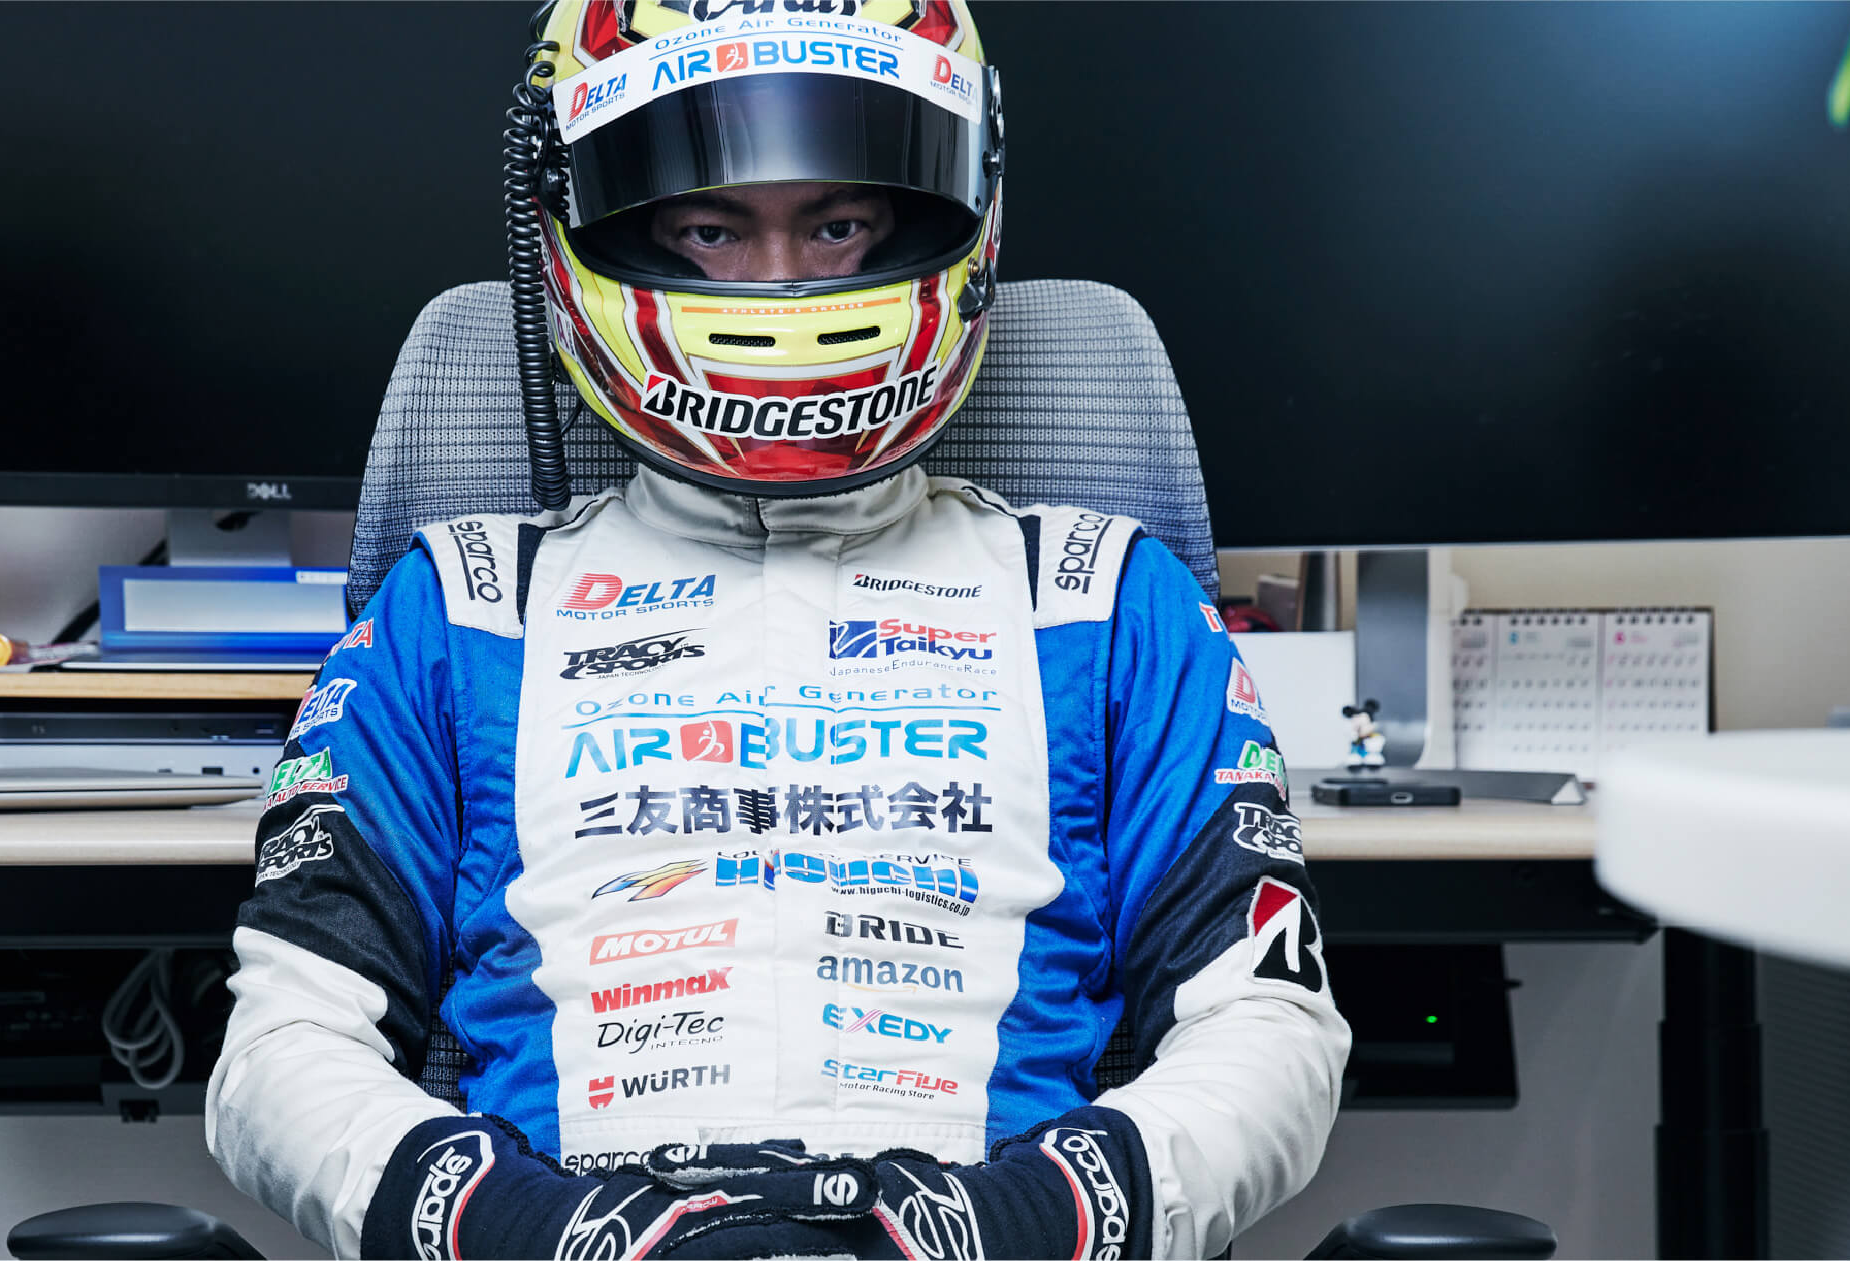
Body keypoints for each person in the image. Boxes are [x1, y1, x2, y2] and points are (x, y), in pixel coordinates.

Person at [209, 3, 1348, 1256]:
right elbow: (281, 1046)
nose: (779, 283)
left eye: (838, 223)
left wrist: (1023, 1220)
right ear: (589, 224)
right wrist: (529, 1229)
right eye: (710, 230)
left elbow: (1270, 1024)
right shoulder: (464, 603)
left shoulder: (1102, 596)